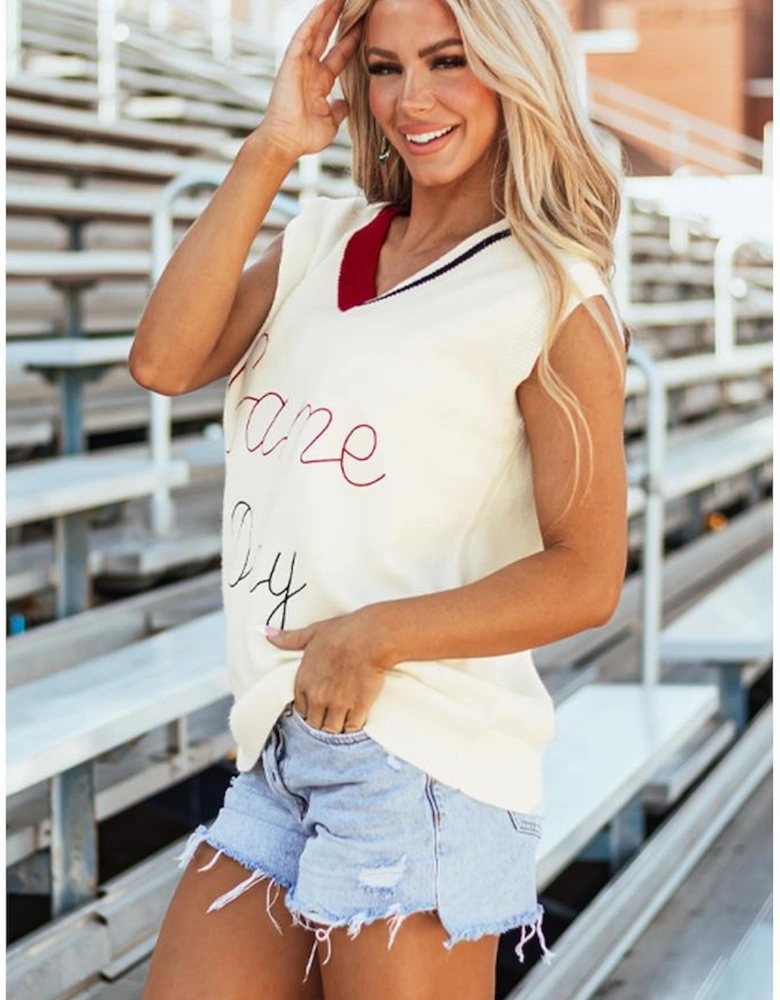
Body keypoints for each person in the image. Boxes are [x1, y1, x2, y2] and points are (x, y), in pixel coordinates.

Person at [131, 0, 629, 995]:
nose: (413, 99)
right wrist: (275, 146)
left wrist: (372, 635)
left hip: (425, 760)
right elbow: (164, 358)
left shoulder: (550, 291)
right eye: (387, 68)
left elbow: (586, 575)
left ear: (511, 70)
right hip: (281, 738)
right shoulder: (326, 238)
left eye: (448, 62)